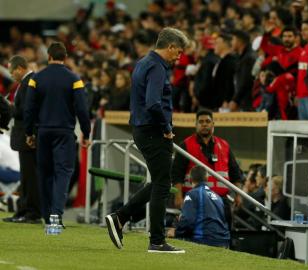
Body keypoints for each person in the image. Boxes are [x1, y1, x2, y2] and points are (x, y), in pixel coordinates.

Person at [105, 27, 188, 253]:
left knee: (159, 181)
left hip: (142, 128)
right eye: (178, 52)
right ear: (169, 46)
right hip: (153, 130)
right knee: (163, 184)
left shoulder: (143, 62)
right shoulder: (157, 67)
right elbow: (153, 102)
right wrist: (166, 127)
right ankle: (157, 241)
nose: (179, 58)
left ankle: (120, 217)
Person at [24, 42, 91, 225]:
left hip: (43, 131)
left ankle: (47, 216)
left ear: (49, 56)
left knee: (44, 173)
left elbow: (28, 108)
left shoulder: (36, 78)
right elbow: (82, 110)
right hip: (64, 132)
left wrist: (29, 133)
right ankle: (56, 216)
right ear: (65, 57)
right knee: (63, 173)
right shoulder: (75, 79)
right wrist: (86, 132)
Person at [171, 110, 242, 230]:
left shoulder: (224, 146)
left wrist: (239, 195)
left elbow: (235, 173)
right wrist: (178, 196)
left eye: (208, 121)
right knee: (197, 236)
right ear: (196, 125)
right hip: (196, 201)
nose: (204, 124)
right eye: (201, 122)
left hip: (221, 201)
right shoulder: (186, 145)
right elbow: (176, 174)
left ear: (213, 124)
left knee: (225, 233)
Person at [3, 55, 41, 223]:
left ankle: (31, 213)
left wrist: (9, 108)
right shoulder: (25, 83)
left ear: (19, 68)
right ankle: (23, 211)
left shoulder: (30, 82)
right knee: (26, 177)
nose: (11, 75)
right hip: (25, 137)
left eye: (12, 71)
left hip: (28, 138)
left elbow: (27, 111)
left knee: (30, 177)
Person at [169, 166, 230, 248]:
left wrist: (176, 231)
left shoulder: (192, 194)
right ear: (207, 179)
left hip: (205, 240)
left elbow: (188, 221)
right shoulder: (218, 197)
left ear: (190, 180)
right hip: (224, 241)